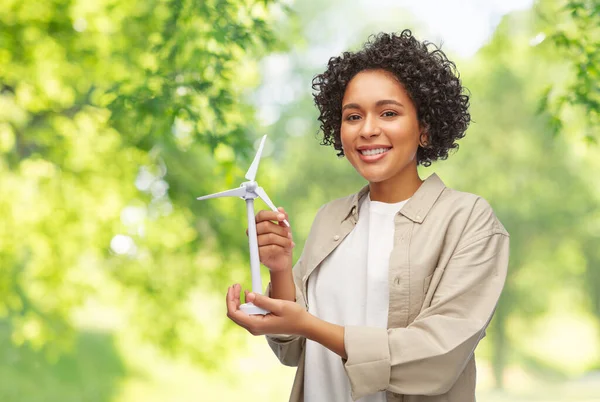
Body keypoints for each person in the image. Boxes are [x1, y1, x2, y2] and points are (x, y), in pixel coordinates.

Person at [225, 30, 509, 402]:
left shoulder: (467, 219)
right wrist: (279, 268)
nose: (368, 130)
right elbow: (292, 347)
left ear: (424, 127)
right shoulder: (331, 218)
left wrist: (309, 324)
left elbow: (439, 356)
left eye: (388, 113)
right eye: (353, 116)